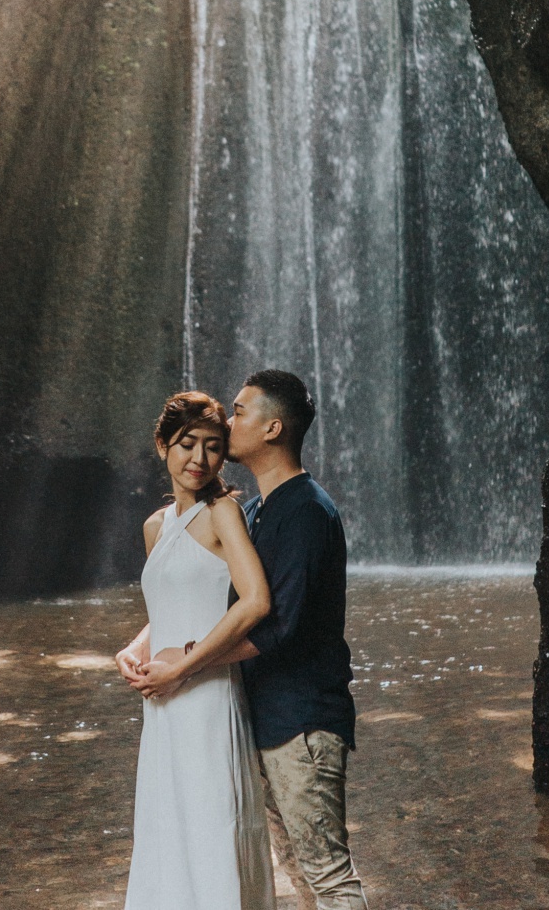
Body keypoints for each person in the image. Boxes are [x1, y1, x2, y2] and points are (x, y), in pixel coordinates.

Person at [116, 391, 276, 910]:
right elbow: (171, 601)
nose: (200, 460)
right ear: (163, 445)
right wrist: (134, 646)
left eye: (212, 447)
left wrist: (181, 669)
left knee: (212, 827)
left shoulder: (223, 512)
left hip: (204, 692)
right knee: (168, 829)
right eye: (187, 445)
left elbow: (254, 602)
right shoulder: (154, 526)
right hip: (161, 702)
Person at [226, 369, 367, 910]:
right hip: (272, 717)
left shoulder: (305, 510)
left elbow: (277, 627)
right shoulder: (259, 509)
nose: (227, 418)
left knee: (327, 874)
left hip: (303, 722)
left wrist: (187, 667)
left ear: (272, 428)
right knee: (301, 872)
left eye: (239, 410)